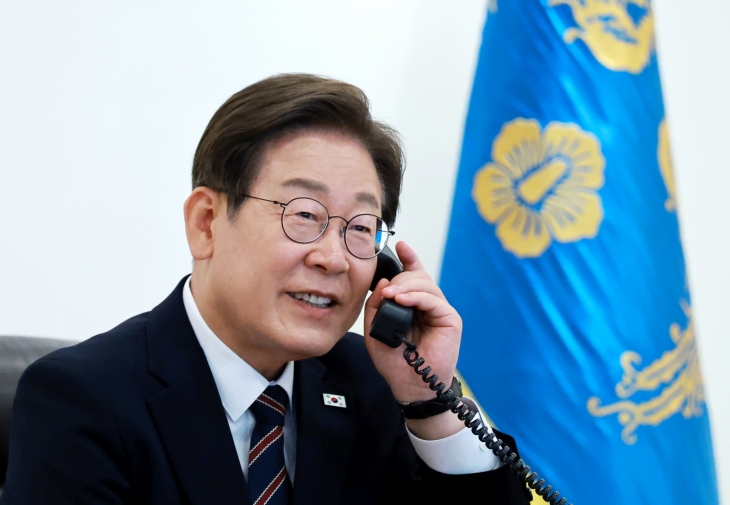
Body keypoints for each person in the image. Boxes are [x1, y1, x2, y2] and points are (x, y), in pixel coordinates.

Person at [1, 74, 531, 504]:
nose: (332, 258)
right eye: (304, 215)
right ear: (207, 223)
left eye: (360, 227)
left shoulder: (376, 384)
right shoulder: (83, 401)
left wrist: (430, 402)